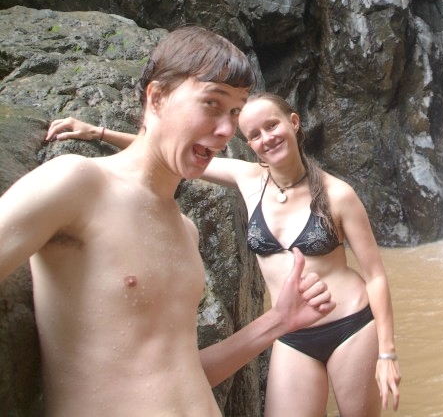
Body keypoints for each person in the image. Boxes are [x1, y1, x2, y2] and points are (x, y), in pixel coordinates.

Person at [0, 26, 335, 416]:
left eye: (235, 112)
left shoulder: (184, 228)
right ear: (156, 97)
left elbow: (178, 375)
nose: (228, 130)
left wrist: (278, 320)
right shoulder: (77, 183)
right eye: (211, 103)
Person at [47, 92, 402, 415]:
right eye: (255, 134)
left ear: (293, 123)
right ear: (248, 144)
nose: (267, 138)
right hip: (291, 332)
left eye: (273, 125)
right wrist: (98, 132)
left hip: (350, 327)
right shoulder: (249, 179)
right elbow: (167, 155)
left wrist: (386, 353)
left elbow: (375, 276)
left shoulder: (338, 194)